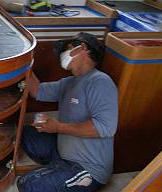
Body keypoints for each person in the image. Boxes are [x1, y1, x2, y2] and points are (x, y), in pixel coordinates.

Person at [17, 32, 118, 192]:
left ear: (82, 48)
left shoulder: (100, 82)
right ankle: (57, 171)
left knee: (27, 184)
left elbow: (105, 127)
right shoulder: (68, 83)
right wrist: (23, 62)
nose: (62, 55)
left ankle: (64, 175)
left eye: (67, 49)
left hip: (87, 167)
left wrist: (58, 127)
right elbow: (36, 90)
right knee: (23, 132)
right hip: (62, 152)